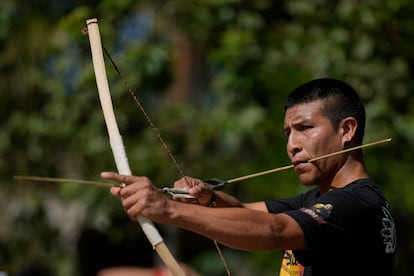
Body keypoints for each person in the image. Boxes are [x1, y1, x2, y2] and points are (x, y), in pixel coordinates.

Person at [102, 78, 397, 275]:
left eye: (305, 128)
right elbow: (244, 213)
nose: (292, 145)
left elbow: (275, 231)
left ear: (346, 130)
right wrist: (207, 200)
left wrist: (167, 209)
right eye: (288, 133)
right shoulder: (320, 199)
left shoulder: (357, 204)